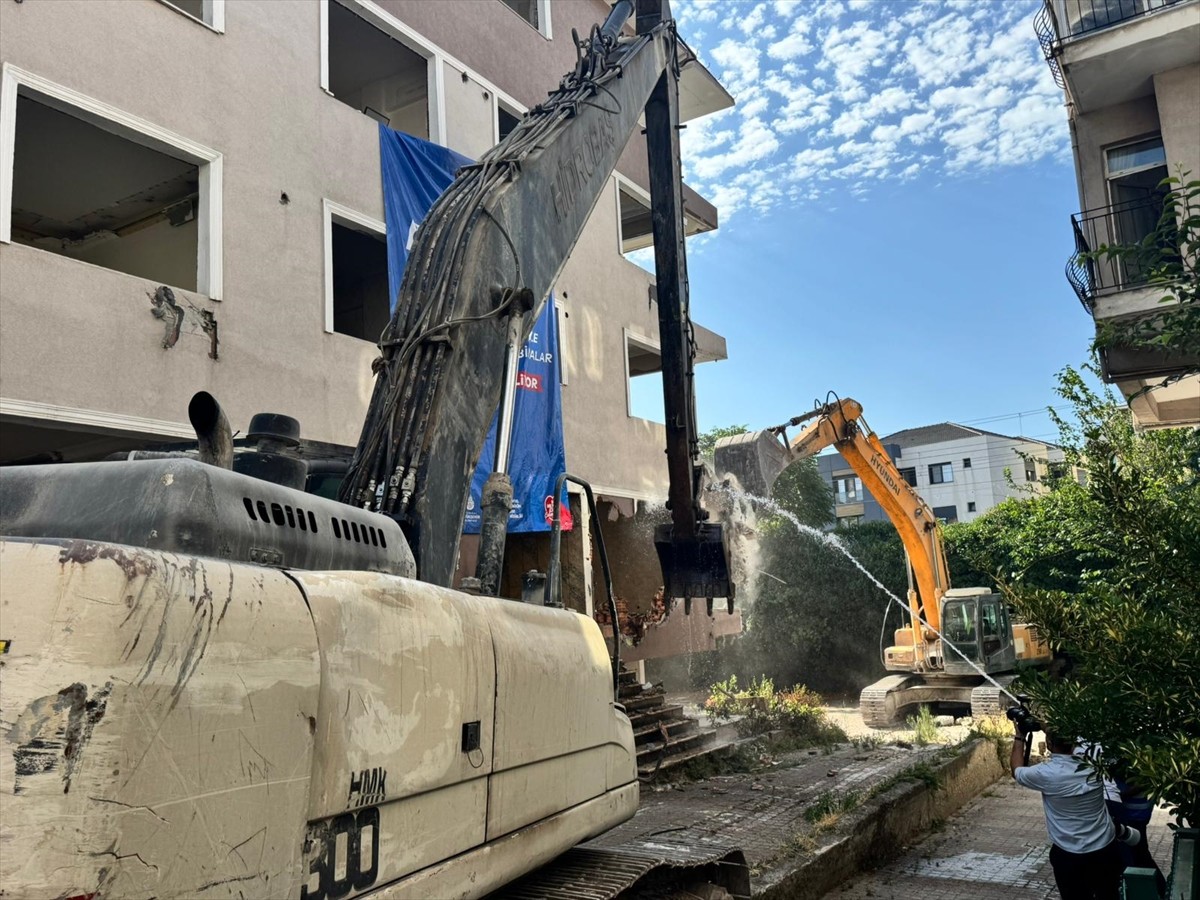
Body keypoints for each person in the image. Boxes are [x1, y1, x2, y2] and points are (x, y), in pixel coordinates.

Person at [1011, 726, 1130, 900]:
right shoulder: (1094, 763)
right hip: (1104, 847)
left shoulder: (1045, 773)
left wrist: (1020, 735)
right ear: (1074, 741)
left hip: (1068, 854)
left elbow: (1016, 770)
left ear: (1049, 744)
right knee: (1109, 894)